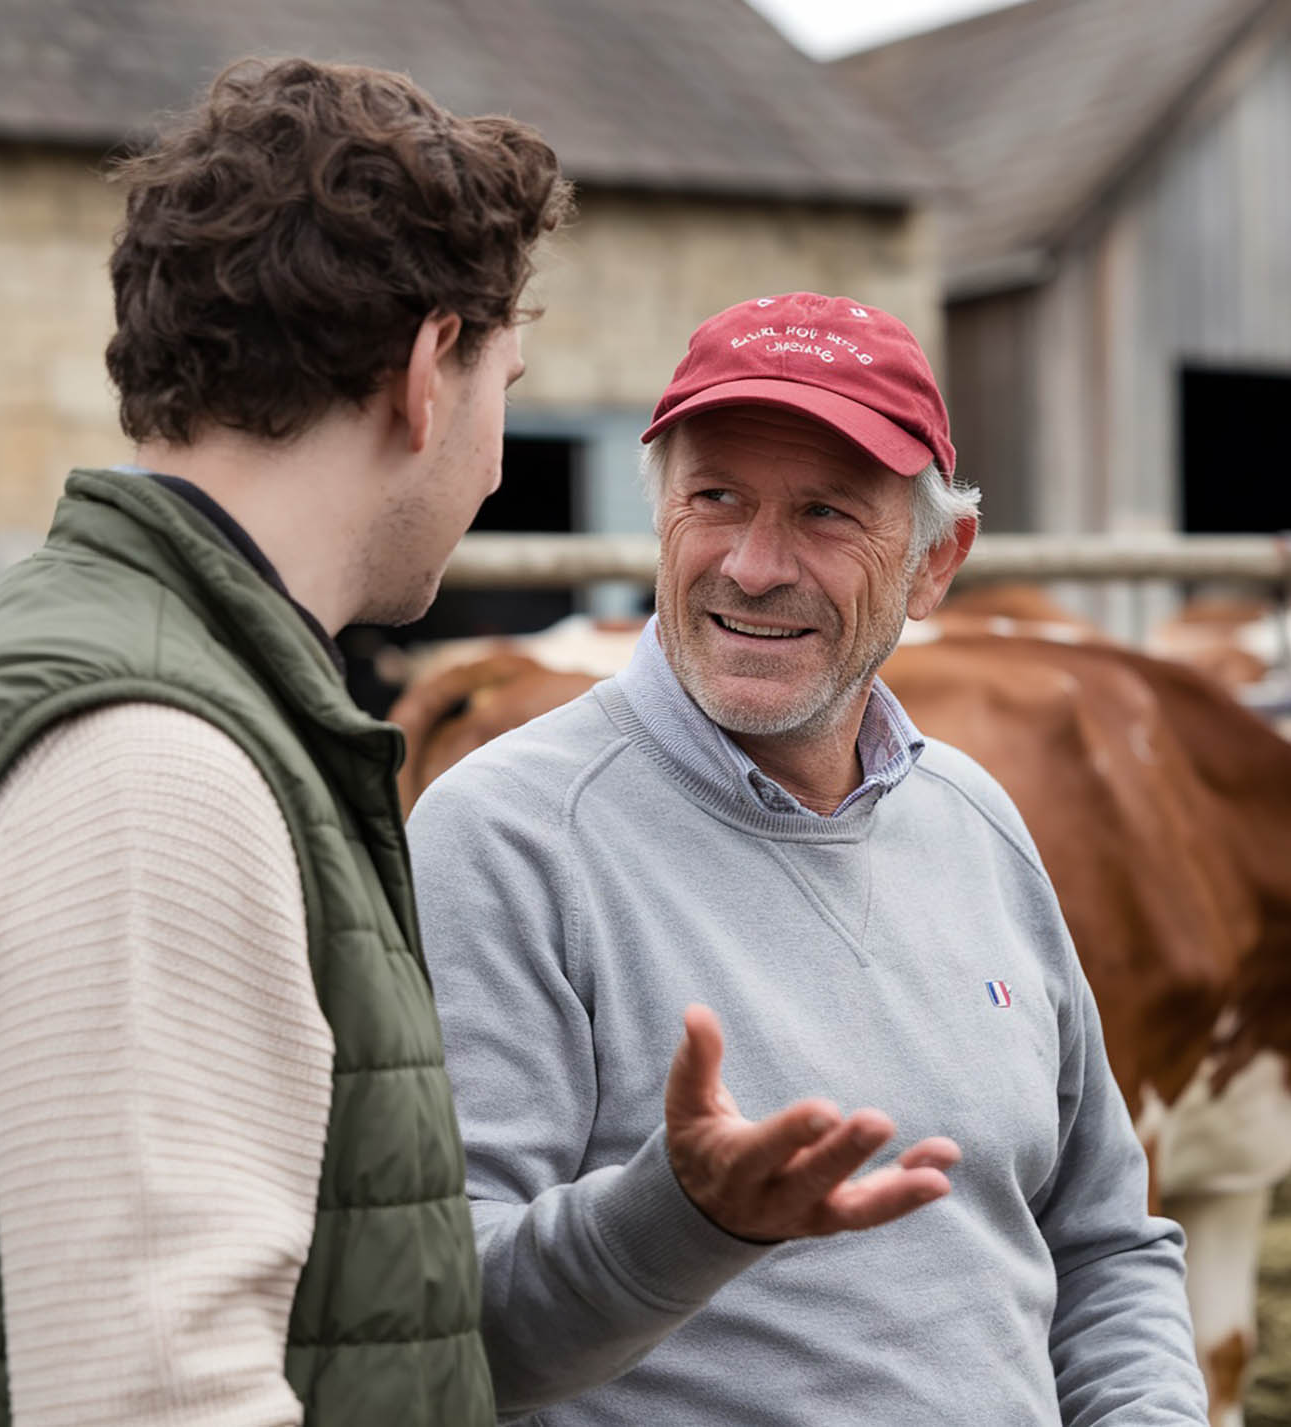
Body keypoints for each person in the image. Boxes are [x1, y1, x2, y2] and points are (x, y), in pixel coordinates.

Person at [408, 292, 1212, 1424]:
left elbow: (1104, 1241)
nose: (749, 563)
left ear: (936, 562)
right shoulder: (504, 835)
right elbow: (442, 1321)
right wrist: (679, 1216)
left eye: (825, 513)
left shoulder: (972, 819)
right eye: (714, 497)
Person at [0, 56, 567, 1427]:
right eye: (504, 382)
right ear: (425, 372)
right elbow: (154, 1394)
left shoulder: (190, 696)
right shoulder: (148, 771)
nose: (500, 456)